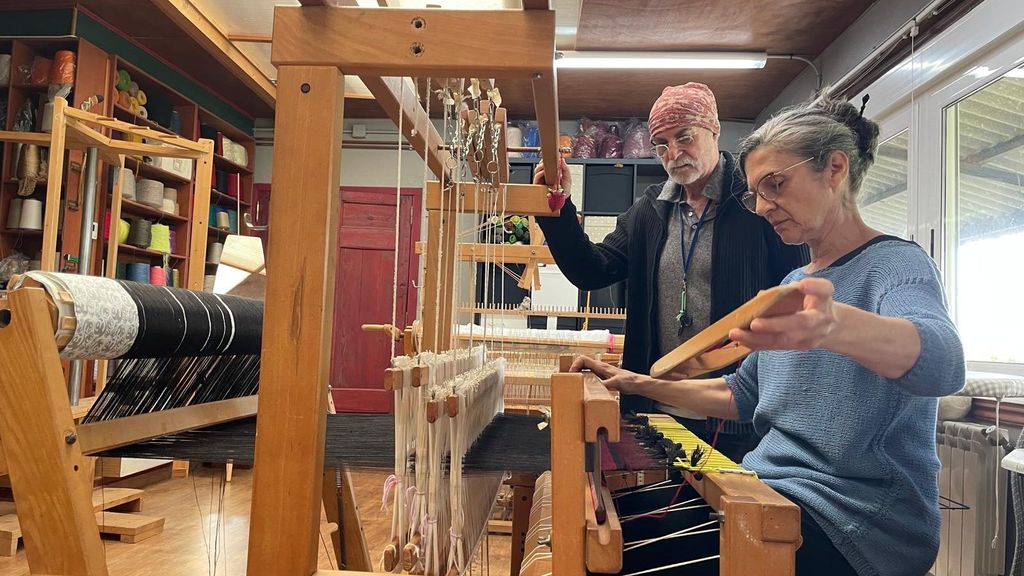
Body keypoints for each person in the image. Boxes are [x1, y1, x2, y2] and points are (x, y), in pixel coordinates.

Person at [572, 91, 965, 575]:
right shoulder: (792, 284)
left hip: (854, 522)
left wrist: (836, 326)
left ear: (835, 169)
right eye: (756, 191)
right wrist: (635, 383)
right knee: (597, 549)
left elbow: (946, 363)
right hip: (766, 490)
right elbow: (743, 394)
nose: (761, 207)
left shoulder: (896, 266)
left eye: (775, 185)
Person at [533, 83, 809, 461]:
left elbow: (795, 301)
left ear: (714, 130)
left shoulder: (756, 204)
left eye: (684, 137)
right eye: (660, 144)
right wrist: (558, 210)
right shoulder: (650, 211)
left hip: (738, 418)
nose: (673, 153)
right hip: (656, 411)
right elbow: (590, 271)